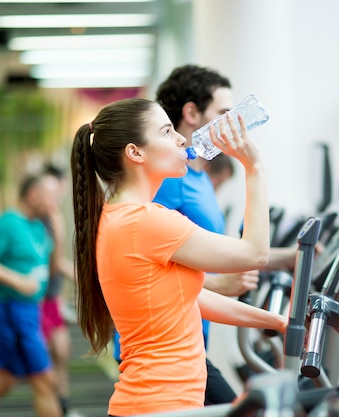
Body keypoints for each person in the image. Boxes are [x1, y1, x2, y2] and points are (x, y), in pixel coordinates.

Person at [70, 97, 287, 416]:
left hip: (157, 402)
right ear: (135, 152)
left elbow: (187, 298)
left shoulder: (120, 217)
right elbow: (255, 253)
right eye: (167, 131)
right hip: (161, 404)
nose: (182, 139)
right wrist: (253, 167)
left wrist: (277, 321)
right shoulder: (145, 221)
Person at [0, 173, 63, 417]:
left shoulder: (39, 226)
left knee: (6, 380)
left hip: (31, 312)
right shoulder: (9, 223)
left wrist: (58, 234)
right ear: (33, 195)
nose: (55, 202)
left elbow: (53, 268)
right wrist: (17, 280)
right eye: (50, 196)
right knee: (45, 380)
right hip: (11, 312)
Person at [40, 164, 77, 417]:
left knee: (62, 352)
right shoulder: (42, 219)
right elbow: (53, 265)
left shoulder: (54, 216)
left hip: (51, 299)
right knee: (42, 368)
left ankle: (63, 406)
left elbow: (59, 264)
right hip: (36, 301)